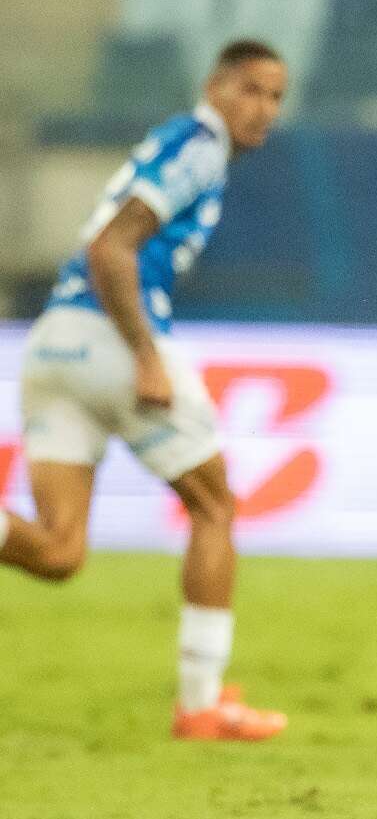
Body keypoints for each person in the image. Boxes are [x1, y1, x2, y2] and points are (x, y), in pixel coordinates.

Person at [1, 39, 289, 741]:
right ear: (215, 88)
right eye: (251, 90)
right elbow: (110, 247)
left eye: (277, 97)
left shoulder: (182, 146)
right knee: (216, 505)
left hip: (53, 344)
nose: (264, 109)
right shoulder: (198, 146)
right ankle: (199, 705)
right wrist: (145, 356)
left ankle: (202, 701)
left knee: (60, 552)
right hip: (111, 340)